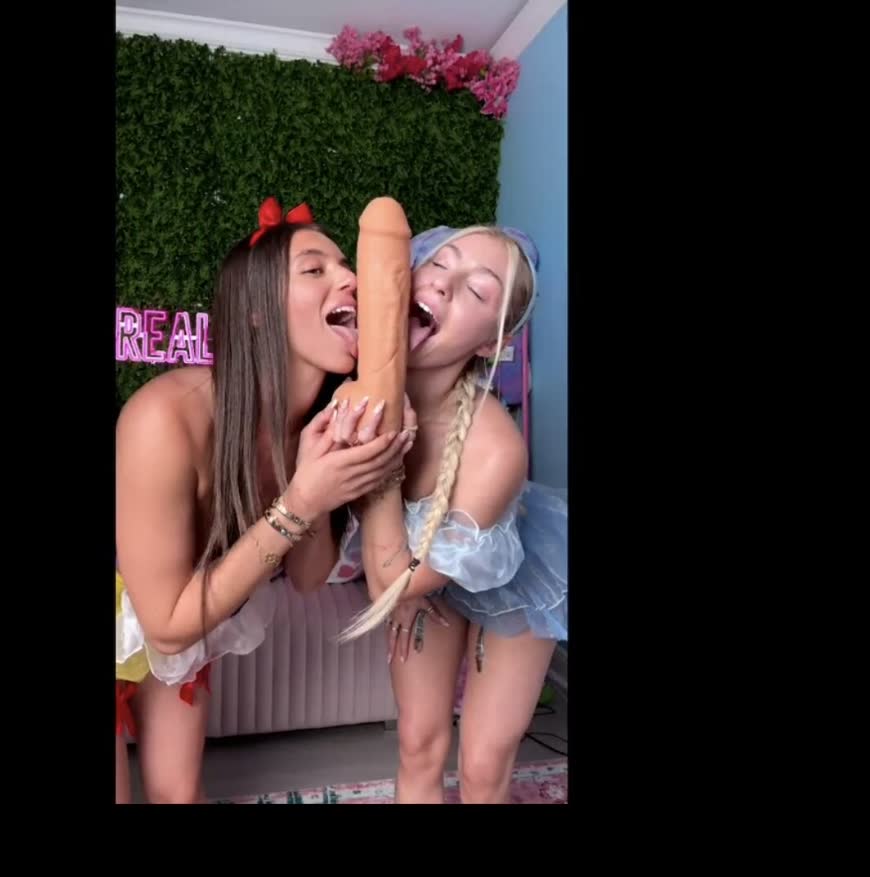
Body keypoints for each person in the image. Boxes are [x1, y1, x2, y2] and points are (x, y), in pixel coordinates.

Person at [115, 197, 416, 803]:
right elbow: (167, 628)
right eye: (315, 269)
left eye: (347, 266)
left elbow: (306, 577)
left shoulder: (309, 429)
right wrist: (302, 499)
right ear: (255, 312)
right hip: (157, 610)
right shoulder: (164, 418)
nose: (350, 278)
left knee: (179, 794)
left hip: (182, 610)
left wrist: (330, 475)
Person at [328, 223, 567, 804]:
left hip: (512, 582)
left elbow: (391, 579)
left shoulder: (496, 452)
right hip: (416, 571)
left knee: (482, 766)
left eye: (478, 290)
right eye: (439, 263)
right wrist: (409, 584)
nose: (444, 284)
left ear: (491, 343)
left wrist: (385, 466)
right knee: (418, 743)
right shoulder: (348, 384)